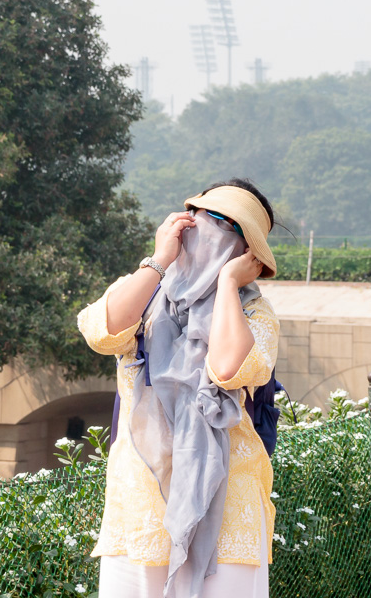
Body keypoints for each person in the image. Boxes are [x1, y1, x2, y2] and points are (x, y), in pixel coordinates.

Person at [77, 179, 280, 598]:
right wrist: (158, 260)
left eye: (231, 227)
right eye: (205, 217)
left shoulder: (254, 312)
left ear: (248, 252)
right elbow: (104, 332)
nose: (211, 230)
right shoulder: (146, 290)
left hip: (228, 512)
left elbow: (227, 368)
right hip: (141, 505)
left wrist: (227, 284)